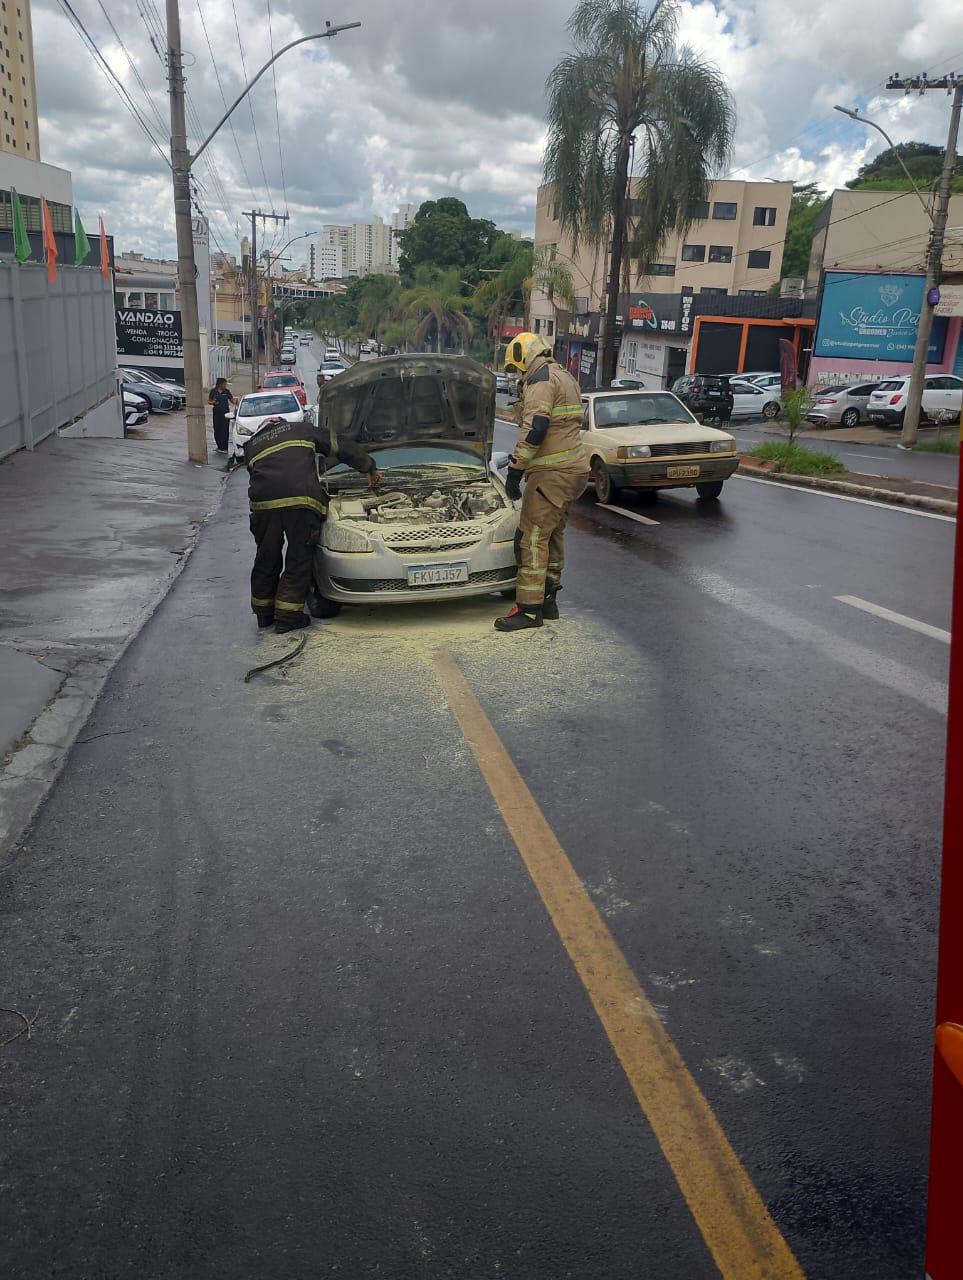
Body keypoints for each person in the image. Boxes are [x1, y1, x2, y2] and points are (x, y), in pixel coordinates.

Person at [244, 414, 381, 634]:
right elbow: (340, 446)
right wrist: (369, 466)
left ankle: (264, 613)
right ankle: (287, 616)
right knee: (299, 556)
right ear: (282, 423)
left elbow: (259, 475)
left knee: (266, 555)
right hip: (301, 499)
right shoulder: (302, 430)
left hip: (263, 504)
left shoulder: (251, 445)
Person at [495, 332, 589, 632]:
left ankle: (529, 609)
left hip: (551, 473)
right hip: (574, 470)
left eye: (518, 368)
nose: (519, 374)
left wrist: (515, 470)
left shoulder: (540, 380)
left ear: (524, 354)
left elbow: (536, 428)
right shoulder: (566, 377)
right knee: (553, 535)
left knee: (532, 538)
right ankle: (549, 601)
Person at [208, 378, 236, 453]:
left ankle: (225, 448)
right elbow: (209, 401)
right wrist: (213, 402)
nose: (225, 385)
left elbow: (232, 400)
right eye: (224, 384)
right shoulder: (213, 391)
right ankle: (219, 447)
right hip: (216, 413)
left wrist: (236, 402)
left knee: (225, 430)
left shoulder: (226, 391)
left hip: (225, 414)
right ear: (219, 384)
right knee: (217, 429)